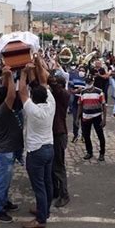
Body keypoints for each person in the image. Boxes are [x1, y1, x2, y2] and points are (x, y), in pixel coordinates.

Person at [19, 59, 55, 228]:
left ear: (34, 97)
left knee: (39, 186)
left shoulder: (33, 110)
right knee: (47, 183)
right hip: (49, 148)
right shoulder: (51, 104)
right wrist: (39, 64)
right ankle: (44, 210)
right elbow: (43, 82)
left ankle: (41, 219)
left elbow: (22, 92)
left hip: (36, 152)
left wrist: (24, 73)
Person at [0, 66, 23, 223]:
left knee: (6, 181)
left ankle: (5, 202)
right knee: (2, 182)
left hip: (9, 150)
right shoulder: (2, 110)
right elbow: (10, 95)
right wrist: (10, 76)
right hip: (4, 152)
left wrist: (6, 76)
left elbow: (6, 93)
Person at [49, 75, 71, 208]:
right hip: (54, 133)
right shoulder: (55, 96)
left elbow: (55, 88)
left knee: (58, 166)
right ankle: (55, 191)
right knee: (52, 166)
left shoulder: (64, 95)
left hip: (59, 133)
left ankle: (64, 195)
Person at [78, 75, 107, 161]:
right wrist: (77, 118)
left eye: (89, 82)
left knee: (100, 135)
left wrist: (104, 119)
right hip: (86, 116)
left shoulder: (99, 92)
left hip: (97, 116)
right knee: (86, 135)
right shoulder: (83, 92)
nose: (88, 84)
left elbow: (104, 106)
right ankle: (89, 152)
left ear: (92, 82)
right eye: (87, 82)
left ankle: (102, 153)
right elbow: (80, 105)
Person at [68, 65, 86, 143]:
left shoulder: (87, 80)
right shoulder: (74, 79)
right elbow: (71, 90)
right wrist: (76, 91)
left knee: (84, 120)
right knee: (75, 119)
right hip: (76, 102)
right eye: (80, 70)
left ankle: (84, 135)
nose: (81, 72)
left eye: (83, 71)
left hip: (84, 103)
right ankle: (75, 135)